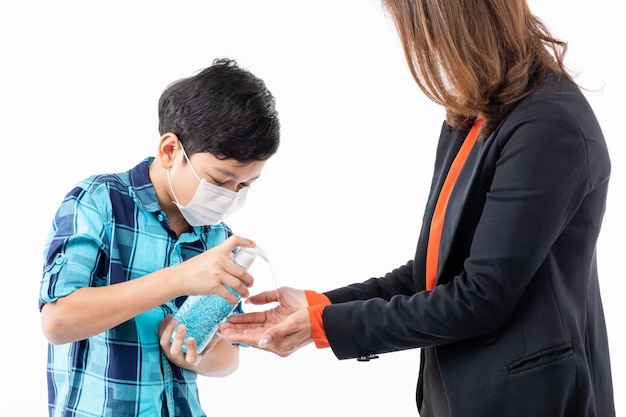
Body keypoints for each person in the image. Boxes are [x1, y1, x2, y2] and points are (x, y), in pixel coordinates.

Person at [218, 1, 615, 416]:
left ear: (454, 25)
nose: (420, 50)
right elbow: (435, 273)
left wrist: (321, 327)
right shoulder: (475, 112)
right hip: (459, 394)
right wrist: (320, 306)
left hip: (529, 401)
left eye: (418, 33)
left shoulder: (547, 123)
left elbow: (479, 298)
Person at [39, 58, 280, 417]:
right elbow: (58, 321)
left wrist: (200, 354)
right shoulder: (99, 202)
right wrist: (178, 279)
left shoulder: (218, 239)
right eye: (219, 180)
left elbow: (230, 356)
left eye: (244, 185)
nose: (230, 195)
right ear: (170, 151)